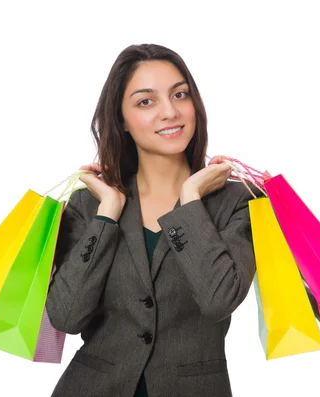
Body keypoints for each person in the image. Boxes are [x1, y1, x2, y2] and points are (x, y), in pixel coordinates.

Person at [45, 43, 263, 397]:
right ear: (121, 121)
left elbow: (219, 300)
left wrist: (191, 199)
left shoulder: (238, 202)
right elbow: (67, 317)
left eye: (180, 95)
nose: (170, 112)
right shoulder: (90, 204)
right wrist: (107, 214)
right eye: (146, 101)